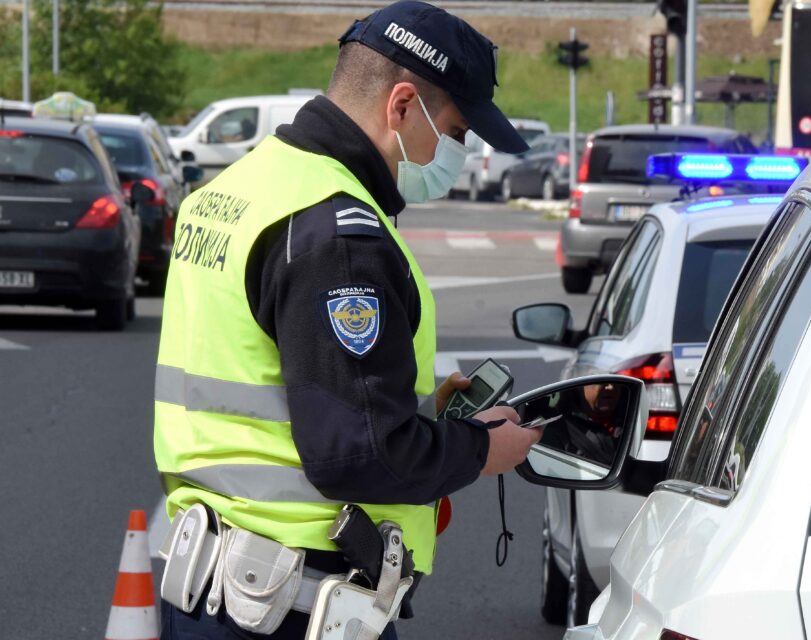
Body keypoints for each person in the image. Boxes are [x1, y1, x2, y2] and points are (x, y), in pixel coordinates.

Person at [152, 2, 541, 637]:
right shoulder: (338, 230)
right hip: (289, 606)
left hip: (216, 588)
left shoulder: (238, 187)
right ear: (403, 105)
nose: (462, 152)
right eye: (459, 130)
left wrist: (413, 411)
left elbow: (282, 386)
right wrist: (480, 449)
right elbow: (358, 454)